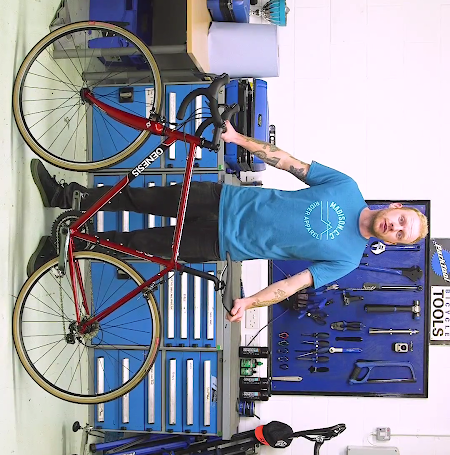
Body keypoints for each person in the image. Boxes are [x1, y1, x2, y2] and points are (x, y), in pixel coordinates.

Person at [28, 121, 428, 322]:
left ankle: (66, 248)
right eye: (401, 220)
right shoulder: (346, 187)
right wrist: (238, 140)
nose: (394, 228)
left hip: (220, 244)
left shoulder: (348, 259)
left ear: (393, 244)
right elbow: (288, 163)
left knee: (137, 245)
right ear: (396, 206)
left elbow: (293, 284)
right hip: (224, 199)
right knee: (140, 197)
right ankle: (65, 197)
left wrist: (251, 301)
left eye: (400, 235)